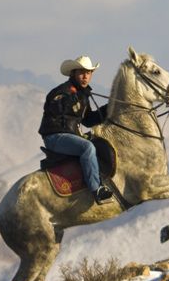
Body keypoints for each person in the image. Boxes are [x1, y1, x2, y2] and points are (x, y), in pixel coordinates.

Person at [39, 55, 114, 204]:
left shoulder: (82, 95)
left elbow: (88, 120)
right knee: (87, 148)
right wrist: (74, 98)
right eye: (81, 72)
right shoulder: (62, 92)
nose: (85, 76)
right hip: (55, 137)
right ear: (73, 73)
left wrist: (109, 108)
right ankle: (96, 189)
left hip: (68, 135)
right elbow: (58, 115)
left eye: (88, 73)